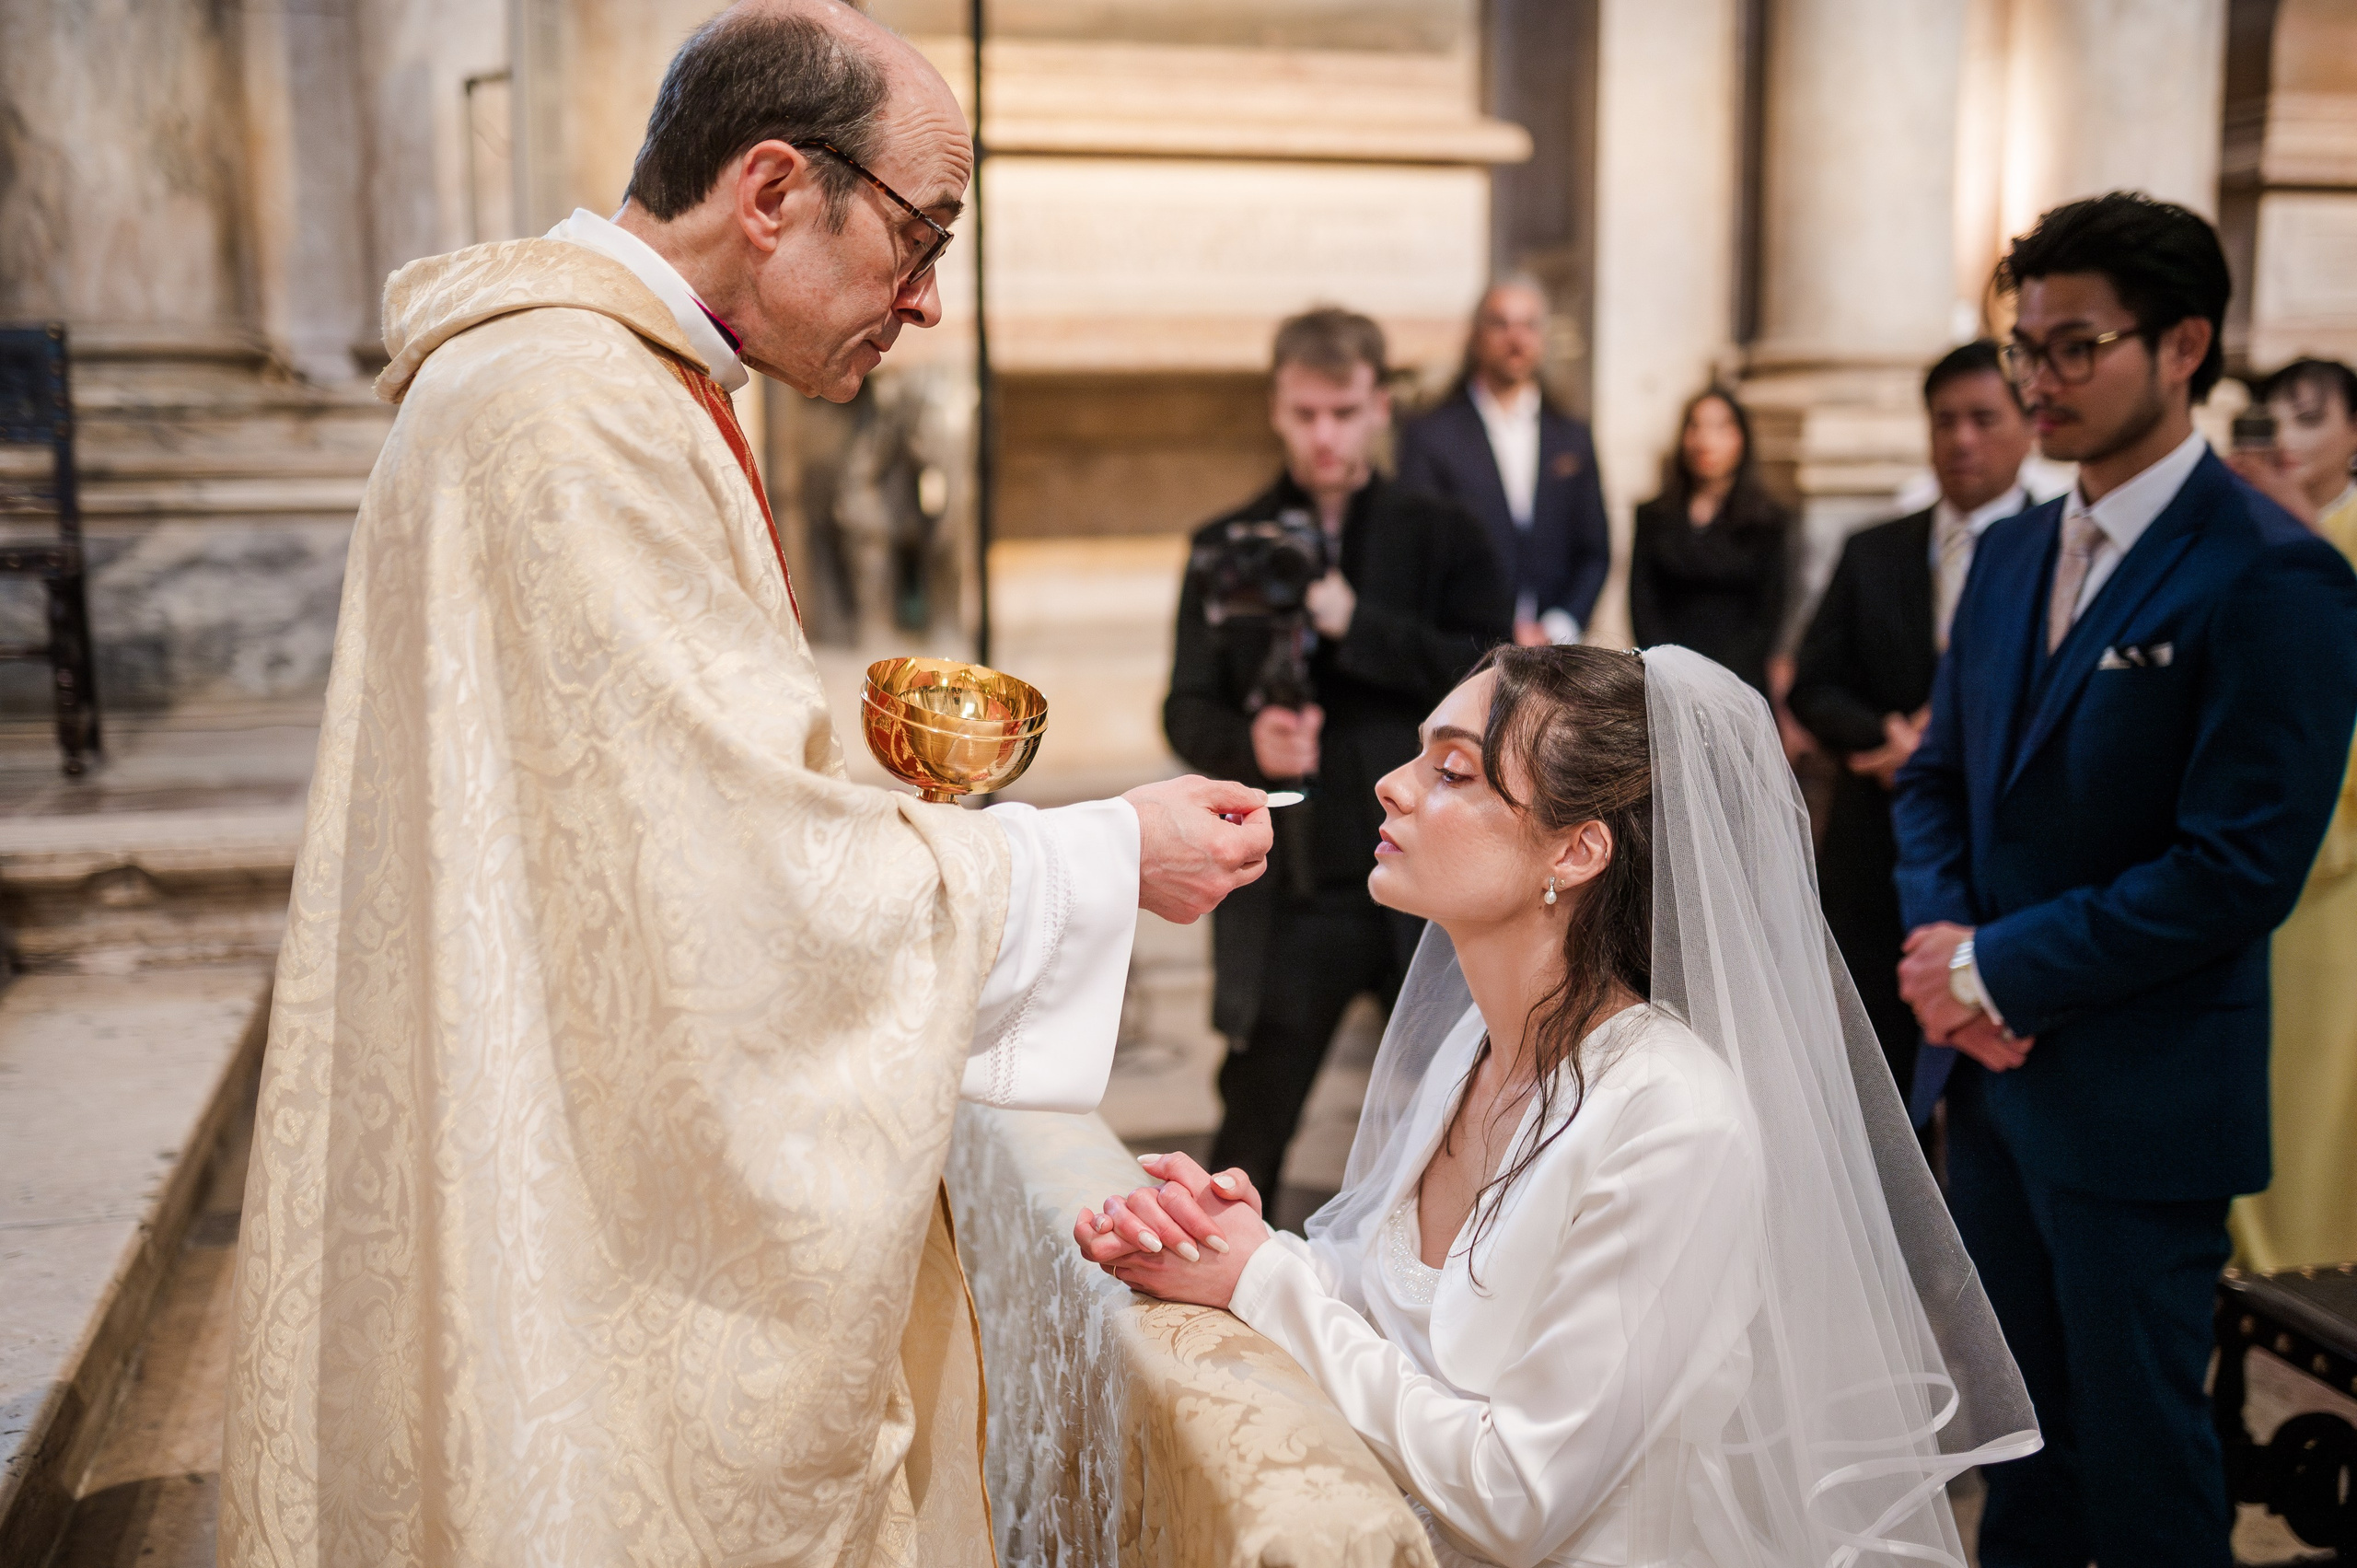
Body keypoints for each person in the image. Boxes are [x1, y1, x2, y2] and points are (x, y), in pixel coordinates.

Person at [216, 6, 1274, 1565]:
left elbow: (666, 817)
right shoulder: (568, 413)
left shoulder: (607, 386)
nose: (925, 300)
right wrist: (1103, 855)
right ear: (772, 190)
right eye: (919, 239)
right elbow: (736, 894)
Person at [1080, 645, 2038, 1566]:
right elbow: (1403, 1311)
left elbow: (1519, 1493)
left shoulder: (1672, 1118)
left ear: (1577, 850)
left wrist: (1262, 1284)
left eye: (1452, 769)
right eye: (1419, 751)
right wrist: (1238, 1243)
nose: (1393, 783)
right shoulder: (1478, 1046)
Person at [1892, 192, 2357, 1568]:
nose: (2037, 378)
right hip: (1989, 1082)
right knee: (2015, 1449)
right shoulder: (2013, 548)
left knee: (2151, 1462)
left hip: (2143, 1091)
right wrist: (1944, 957)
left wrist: (1996, 968)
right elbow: (1936, 781)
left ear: (2184, 344)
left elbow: (2238, 865)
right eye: (2026, 345)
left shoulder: (2273, 574)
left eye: (2076, 343)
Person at [1164, 307, 1513, 1209]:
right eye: (1306, 412)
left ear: (1379, 406)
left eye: (1345, 411)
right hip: (1294, 881)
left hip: (1432, 872)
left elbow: (1494, 679)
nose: (1325, 433)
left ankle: (1454, 1293)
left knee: (1467, 1102)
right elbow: (1186, 704)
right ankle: (1218, 1307)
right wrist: (1252, 743)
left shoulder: (1445, 535)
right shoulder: (1224, 542)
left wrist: (1355, 622)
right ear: (1276, 410)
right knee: (1255, 1113)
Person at [1790, 341, 2032, 1102]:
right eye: (1945, 420)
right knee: (1872, 1079)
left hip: (2007, 851)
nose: (1962, 439)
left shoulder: (2057, 545)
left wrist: (1949, 746)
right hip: (1877, 849)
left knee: (1998, 1076)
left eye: (1984, 419)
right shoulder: (1876, 550)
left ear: (2028, 425)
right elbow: (1812, 685)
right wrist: (1887, 740)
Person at [2225, 357, 2357, 1272]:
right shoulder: (2239, 534)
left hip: (2329, 856)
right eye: (2272, 420)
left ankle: (2303, 1271)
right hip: (2232, 842)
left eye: (2309, 418)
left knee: (2311, 1083)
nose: (2287, 441)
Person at [1396, 277, 1611, 645]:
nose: (1516, 339)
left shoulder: (1573, 436)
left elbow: (1594, 551)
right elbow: (1419, 555)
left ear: (1543, 338)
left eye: (1529, 325)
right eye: (1501, 324)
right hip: (1463, 651)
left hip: (1556, 656)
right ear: (1477, 336)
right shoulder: (1430, 436)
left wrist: (1557, 627)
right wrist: (1493, 627)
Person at [1628, 387, 1790, 695]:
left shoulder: (1768, 521)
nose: (1705, 441)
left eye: (1719, 427)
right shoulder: (1654, 515)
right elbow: (1642, 601)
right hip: (1667, 680)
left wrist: (1716, 681)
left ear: (1741, 438)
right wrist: (1668, 669)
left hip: (1738, 682)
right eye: (1695, 426)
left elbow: (1768, 614)